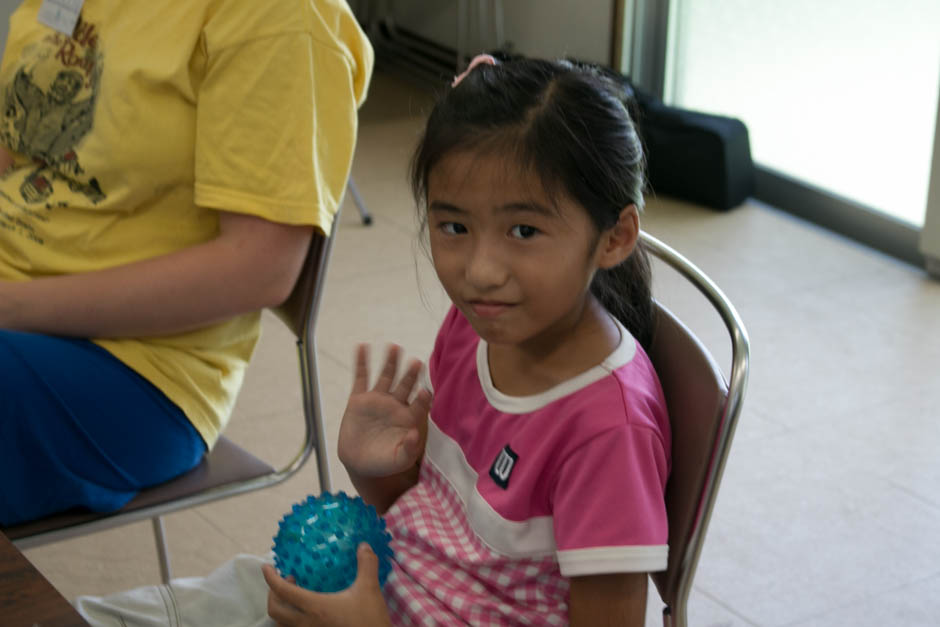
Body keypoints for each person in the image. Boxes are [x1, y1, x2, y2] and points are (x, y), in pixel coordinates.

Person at [75, 54, 670, 626]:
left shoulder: (607, 432)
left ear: (615, 237)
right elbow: (437, 535)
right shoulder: (477, 329)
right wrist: (376, 474)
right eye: (454, 226)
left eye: (523, 230)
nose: (480, 270)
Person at [0, 0, 373, 526]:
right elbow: (18, 148)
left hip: (137, 371)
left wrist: (11, 306)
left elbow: (257, 269)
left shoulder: (279, 15)